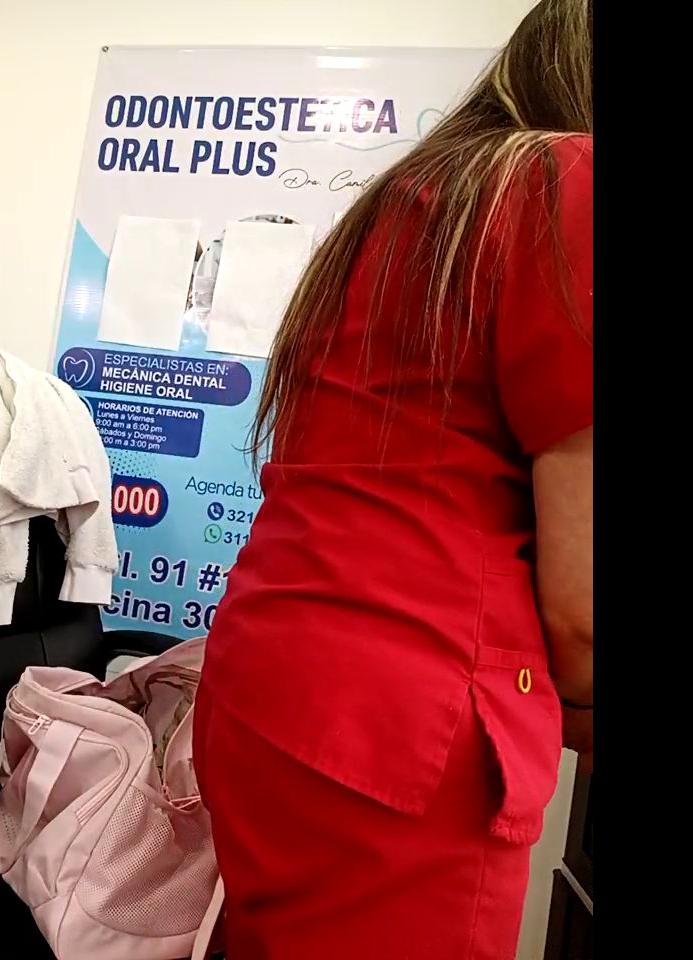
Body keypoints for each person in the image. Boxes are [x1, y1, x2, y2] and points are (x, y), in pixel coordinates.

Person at [193, 1, 593, 957]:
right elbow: (583, 614)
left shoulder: (409, 199)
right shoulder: (567, 182)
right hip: (399, 725)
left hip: (269, 680)